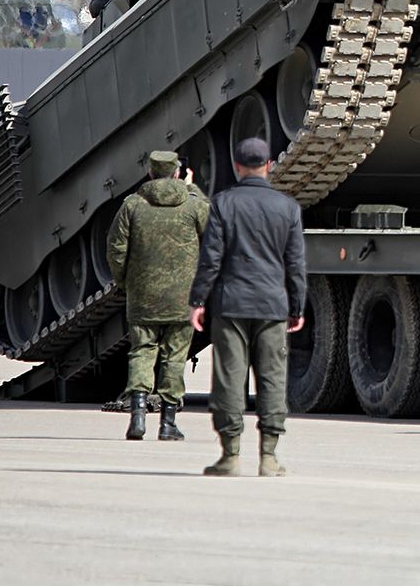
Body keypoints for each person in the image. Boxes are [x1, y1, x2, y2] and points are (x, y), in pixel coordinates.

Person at [189, 137, 306, 477]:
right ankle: (269, 458)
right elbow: (296, 264)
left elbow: (210, 259)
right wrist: (297, 307)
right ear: (269, 166)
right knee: (271, 378)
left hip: (231, 305)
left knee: (229, 378)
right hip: (272, 306)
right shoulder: (288, 208)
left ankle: (230, 455)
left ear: (238, 166)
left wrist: (198, 300)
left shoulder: (224, 204)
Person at [107, 150, 210, 442]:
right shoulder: (193, 205)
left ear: (151, 174)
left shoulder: (133, 205)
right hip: (183, 298)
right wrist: (192, 188)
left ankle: (138, 415)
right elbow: (214, 234)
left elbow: (116, 249)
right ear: (177, 173)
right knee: (174, 358)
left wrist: (125, 282)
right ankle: (168, 423)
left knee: (142, 351)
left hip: (142, 296)